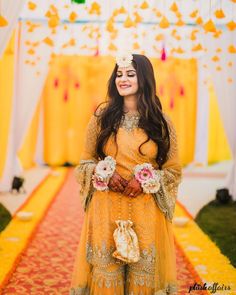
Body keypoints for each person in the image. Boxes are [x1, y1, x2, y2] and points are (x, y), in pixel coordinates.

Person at [70, 53, 182, 295]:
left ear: (145, 78)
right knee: (106, 272)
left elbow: (173, 171)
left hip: (145, 211)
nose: (123, 79)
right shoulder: (101, 118)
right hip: (105, 209)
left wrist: (147, 181)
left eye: (130, 74)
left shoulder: (161, 122)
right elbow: (84, 164)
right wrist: (104, 175)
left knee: (143, 274)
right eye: (119, 74)